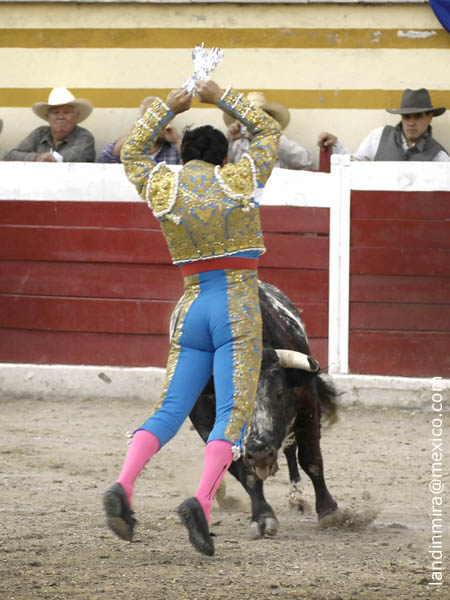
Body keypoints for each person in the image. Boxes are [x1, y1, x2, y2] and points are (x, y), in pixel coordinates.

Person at [102, 80, 280, 557]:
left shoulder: (163, 185)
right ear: (224, 159)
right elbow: (268, 132)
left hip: (191, 307)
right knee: (231, 415)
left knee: (170, 409)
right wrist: (224, 97)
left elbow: (130, 151)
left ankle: (124, 484)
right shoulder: (239, 179)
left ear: (182, 158)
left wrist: (167, 107)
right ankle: (200, 501)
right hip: (235, 307)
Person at [317, 88, 449, 162]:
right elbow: (355, 165)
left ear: (430, 117)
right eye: (406, 116)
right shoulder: (379, 136)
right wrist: (336, 144)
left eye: (418, 116)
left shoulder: (438, 155)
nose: (411, 123)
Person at [4, 87, 95, 162]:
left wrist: (49, 159)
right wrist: (36, 158)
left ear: (76, 117)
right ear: (48, 117)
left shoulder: (84, 136)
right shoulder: (40, 133)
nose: (61, 117)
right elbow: (11, 156)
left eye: (66, 112)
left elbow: (77, 155)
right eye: (56, 112)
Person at [224, 91, 312, 169]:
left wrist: (271, 138)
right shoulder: (238, 143)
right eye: (247, 117)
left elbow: (306, 162)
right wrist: (230, 140)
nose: (252, 121)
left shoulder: (278, 140)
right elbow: (223, 167)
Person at [98, 96, 181, 164]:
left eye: (160, 119)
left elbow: (188, 165)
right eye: (150, 119)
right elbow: (104, 161)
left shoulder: (173, 147)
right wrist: (130, 134)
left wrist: (176, 141)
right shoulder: (131, 144)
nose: (156, 124)